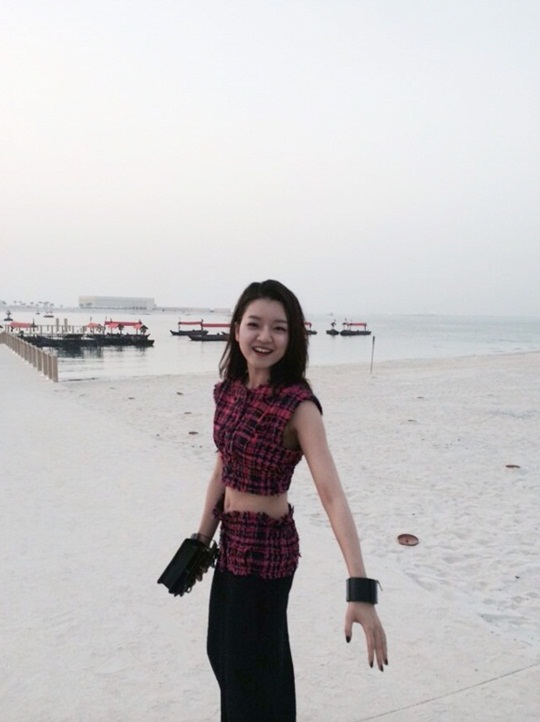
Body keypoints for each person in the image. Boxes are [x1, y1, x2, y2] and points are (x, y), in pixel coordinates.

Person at [194, 279, 387, 722]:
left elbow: (332, 495)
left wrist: (360, 589)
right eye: (254, 324)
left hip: (267, 553)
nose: (265, 337)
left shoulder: (299, 406)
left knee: (251, 676)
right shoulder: (230, 391)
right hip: (230, 546)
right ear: (237, 329)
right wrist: (200, 540)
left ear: (292, 336)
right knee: (222, 654)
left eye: (278, 328)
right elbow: (222, 469)